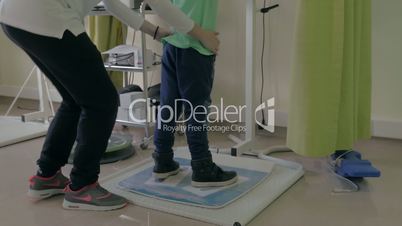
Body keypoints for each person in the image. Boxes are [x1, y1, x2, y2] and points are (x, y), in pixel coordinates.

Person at [0, 0, 220, 211]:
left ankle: (46, 175)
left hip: (13, 15)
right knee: (103, 101)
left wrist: (154, 32)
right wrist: (203, 35)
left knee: (74, 99)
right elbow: (160, 3)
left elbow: (111, 3)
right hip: (45, 15)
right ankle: (82, 187)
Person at [152, 0, 238, 187]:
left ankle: (163, 159)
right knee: (197, 110)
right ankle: (202, 167)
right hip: (196, 47)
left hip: (172, 43)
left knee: (169, 105)